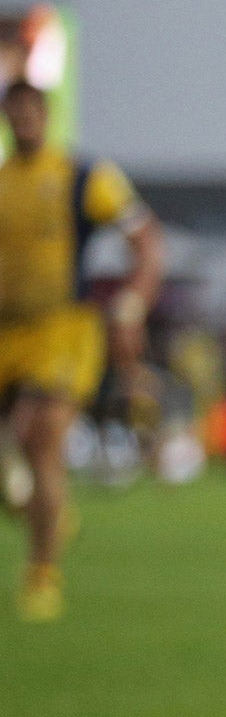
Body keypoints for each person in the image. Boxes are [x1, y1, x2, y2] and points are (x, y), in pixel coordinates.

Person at [0, 80, 164, 620]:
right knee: (15, 472)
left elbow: (144, 237)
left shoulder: (82, 176)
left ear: (46, 115)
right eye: (14, 110)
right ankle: (48, 513)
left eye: (32, 109)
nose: (24, 119)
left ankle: (42, 576)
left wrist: (134, 301)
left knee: (40, 437)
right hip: (7, 332)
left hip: (63, 330)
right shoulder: (4, 183)